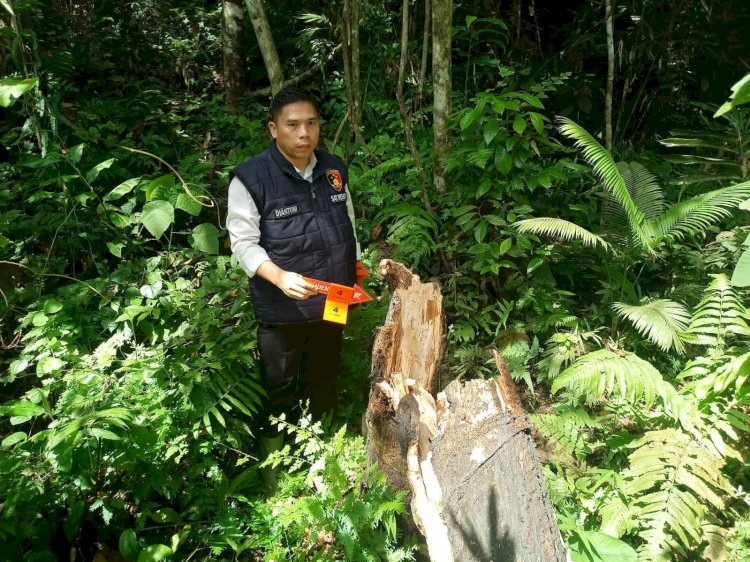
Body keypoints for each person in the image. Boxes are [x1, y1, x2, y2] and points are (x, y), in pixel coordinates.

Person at [226, 87, 360, 490]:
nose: (304, 133)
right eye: (293, 125)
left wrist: (354, 265)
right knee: (280, 388)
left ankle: (325, 459)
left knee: (324, 377)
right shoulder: (250, 178)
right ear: (273, 129)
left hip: (332, 301)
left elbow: (347, 220)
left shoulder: (333, 168)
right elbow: (243, 244)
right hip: (281, 309)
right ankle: (275, 476)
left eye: (312, 123)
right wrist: (279, 277)